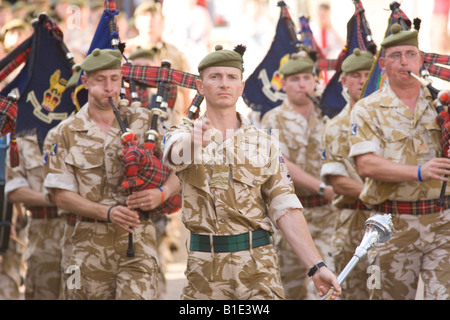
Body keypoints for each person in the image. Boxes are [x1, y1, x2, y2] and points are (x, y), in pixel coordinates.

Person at [163, 44, 341, 300]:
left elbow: (286, 207)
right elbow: (172, 155)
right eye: (215, 77)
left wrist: (316, 266)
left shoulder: (264, 142)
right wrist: (194, 141)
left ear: (241, 87)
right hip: (204, 273)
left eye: (231, 77)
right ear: (201, 87)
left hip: (258, 269)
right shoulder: (182, 134)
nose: (224, 84)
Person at [44, 48, 181, 300]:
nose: (109, 88)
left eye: (115, 79)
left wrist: (162, 193)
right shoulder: (63, 133)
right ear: (84, 82)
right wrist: (107, 212)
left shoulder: (146, 121)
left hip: (138, 244)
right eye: (100, 80)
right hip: (82, 248)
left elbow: (181, 169)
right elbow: (60, 195)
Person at [349, 23, 450, 300]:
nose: (404, 62)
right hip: (392, 226)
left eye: (410, 54)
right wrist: (419, 171)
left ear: (421, 59)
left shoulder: (441, 102)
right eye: (395, 55)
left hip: (442, 222)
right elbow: (366, 165)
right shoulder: (368, 109)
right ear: (382, 63)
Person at [259, 51, 337, 300]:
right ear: (283, 83)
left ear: (315, 80)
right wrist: (321, 187)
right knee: (289, 287)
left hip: (327, 216)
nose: (302, 84)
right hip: (288, 217)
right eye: (294, 79)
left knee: (326, 286)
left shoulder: (328, 116)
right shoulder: (273, 118)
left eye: (306, 77)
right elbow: (280, 163)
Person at [321, 48, 374, 300]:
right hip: (353, 222)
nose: (362, 80)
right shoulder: (335, 127)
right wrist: (382, 197)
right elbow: (338, 182)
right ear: (343, 80)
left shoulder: (390, 120)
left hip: (396, 222)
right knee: (354, 294)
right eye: (355, 75)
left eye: (368, 74)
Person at [5, 133, 65, 300]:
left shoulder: (75, 133)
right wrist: (62, 200)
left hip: (78, 236)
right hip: (44, 235)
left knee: (76, 287)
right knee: (42, 291)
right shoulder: (22, 140)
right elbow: (14, 190)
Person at [126, 0, 191, 126]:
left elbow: (185, 91)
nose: (149, 21)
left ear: (162, 23)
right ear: (136, 22)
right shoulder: (126, 51)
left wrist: (188, 118)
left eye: (153, 17)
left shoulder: (175, 53)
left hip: (171, 119)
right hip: (135, 120)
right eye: (144, 16)